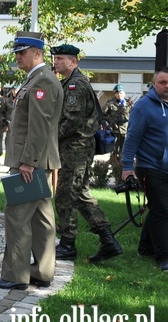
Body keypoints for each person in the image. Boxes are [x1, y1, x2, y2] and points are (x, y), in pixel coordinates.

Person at [0, 31, 63, 291]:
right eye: (17, 52)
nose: (18, 57)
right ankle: (43, 271)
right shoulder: (39, 79)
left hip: (30, 161)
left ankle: (15, 275)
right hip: (36, 160)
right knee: (42, 219)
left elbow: (39, 125)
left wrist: (29, 162)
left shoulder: (42, 81)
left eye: (23, 52)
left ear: (37, 53)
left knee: (17, 216)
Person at [50, 44, 123, 263]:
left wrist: (50, 137)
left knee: (66, 195)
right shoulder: (70, 82)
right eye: (55, 58)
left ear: (73, 62)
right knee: (80, 194)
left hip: (76, 147)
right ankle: (108, 242)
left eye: (60, 58)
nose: (56, 62)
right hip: (75, 147)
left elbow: (72, 121)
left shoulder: (75, 85)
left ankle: (67, 244)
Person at [120, 67, 168, 272]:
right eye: (162, 83)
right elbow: (131, 139)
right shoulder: (143, 107)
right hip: (151, 166)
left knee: (159, 208)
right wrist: (127, 167)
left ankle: (145, 247)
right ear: (154, 83)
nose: (166, 87)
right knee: (163, 210)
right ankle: (164, 256)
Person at [103, 84, 131, 183]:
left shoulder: (129, 104)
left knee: (124, 151)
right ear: (114, 94)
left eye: (120, 93)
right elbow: (103, 115)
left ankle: (122, 172)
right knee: (114, 150)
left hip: (125, 131)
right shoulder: (110, 104)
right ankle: (114, 171)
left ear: (124, 93)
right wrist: (109, 123)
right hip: (114, 131)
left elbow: (134, 116)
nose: (119, 95)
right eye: (117, 93)